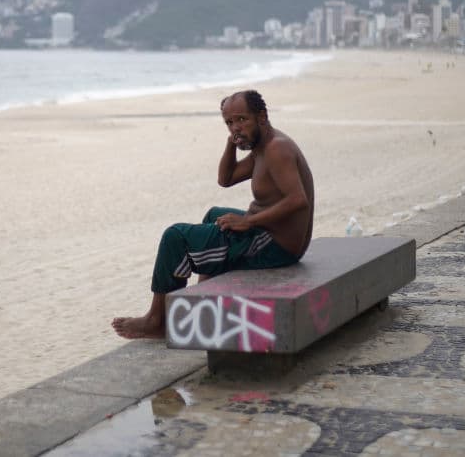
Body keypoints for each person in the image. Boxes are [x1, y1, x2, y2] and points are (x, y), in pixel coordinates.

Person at [111, 89, 314, 339]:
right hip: (269, 234)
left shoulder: (276, 150)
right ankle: (204, 297)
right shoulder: (263, 147)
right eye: (229, 123)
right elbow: (225, 179)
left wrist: (248, 221)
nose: (235, 127)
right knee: (214, 215)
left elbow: (298, 200)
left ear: (261, 116)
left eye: (241, 119)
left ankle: (158, 320)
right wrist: (232, 143)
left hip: (274, 245)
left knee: (175, 237)